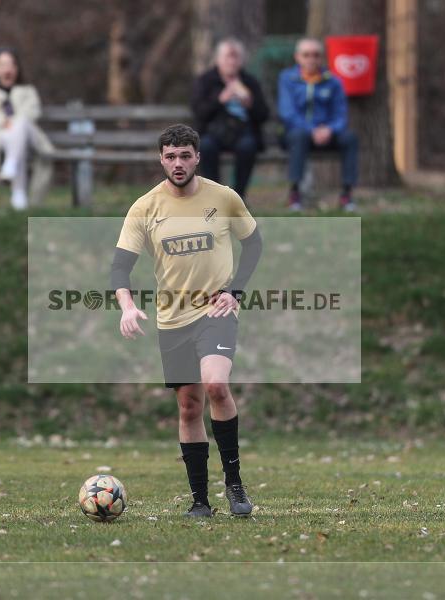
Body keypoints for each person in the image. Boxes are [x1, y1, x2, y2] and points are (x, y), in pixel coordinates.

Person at [111, 124, 262, 518]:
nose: (178, 163)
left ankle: (234, 483)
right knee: (189, 407)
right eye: (170, 156)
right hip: (172, 319)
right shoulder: (145, 207)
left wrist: (235, 292)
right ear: (161, 159)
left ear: (197, 157)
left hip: (216, 311)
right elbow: (120, 269)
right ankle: (200, 501)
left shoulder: (224, 198)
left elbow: (254, 243)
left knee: (215, 384)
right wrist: (127, 306)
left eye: (185, 155)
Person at [278, 38, 359, 211]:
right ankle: (295, 194)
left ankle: (347, 194)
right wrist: (311, 130)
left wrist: (330, 129)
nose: (311, 59)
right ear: (297, 57)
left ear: (321, 58)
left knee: (350, 138)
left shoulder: (333, 82)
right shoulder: (287, 79)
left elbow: (341, 114)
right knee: (298, 136)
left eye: (315, 55)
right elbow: (287, 113)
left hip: (327, 134)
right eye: (306, 55)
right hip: (298, 134)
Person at [0, 47, 55, 210]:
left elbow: (33, 113)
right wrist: (3, 122)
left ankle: (11, 168)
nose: (7, 69)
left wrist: (13, 122)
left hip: (30, 136)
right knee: (17, 144)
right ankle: (19, 195)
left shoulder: (28, 91)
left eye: (11, 65)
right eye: (2, 65)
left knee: (21, 125)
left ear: (17, 69)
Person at [191, 38, 269, 202]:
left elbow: (263, 115)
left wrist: (249, 103)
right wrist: (221, 100)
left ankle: (239, 197)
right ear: (218, 59)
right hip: (214, 131)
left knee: (248, 147)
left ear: (241, 61)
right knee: (206, 147)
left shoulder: (250, 82)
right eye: (228, 57)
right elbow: (199, 112)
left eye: (236, 57)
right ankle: (215, 197)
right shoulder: (206, 81)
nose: (232, 62)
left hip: (243, 132)